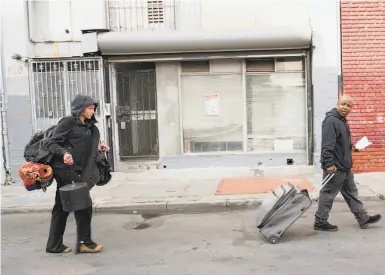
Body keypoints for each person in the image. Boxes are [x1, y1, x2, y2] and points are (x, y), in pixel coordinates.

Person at [46, 95, 110, 253]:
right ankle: (84, 242)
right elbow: (52, 142)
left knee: (61, 207)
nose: (93, 110)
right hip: (64, 169)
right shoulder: (69, 122)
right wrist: (64, 154)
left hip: (77, 170)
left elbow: (83, 145)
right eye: (89, 108)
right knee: (84, 205)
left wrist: (99, 147)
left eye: (94, 108)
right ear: (80, 109)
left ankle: (54, 245)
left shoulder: (89, 126)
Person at [315, 94, 381, 231]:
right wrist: (328, 164)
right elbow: (327, 145)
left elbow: (340, 143)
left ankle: (363, 218)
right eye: (343, 104)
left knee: (352, 193)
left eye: (348, 105)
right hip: (335, 167)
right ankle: (320, 222)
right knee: (327, 194)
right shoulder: (331, 121)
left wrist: (353, 148)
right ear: (337, 103)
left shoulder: (342, 120)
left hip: (345, 166)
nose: (345, 107)